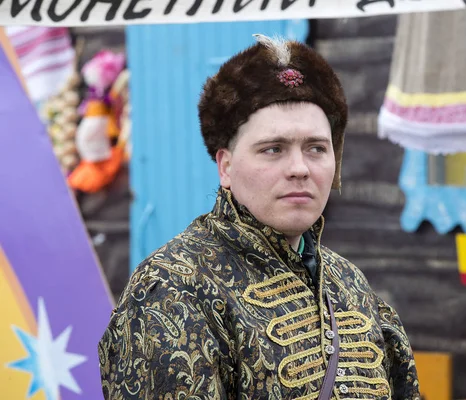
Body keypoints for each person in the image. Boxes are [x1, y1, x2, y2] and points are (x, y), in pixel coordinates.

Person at [99, 34, 420, 400]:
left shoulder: (350, 284)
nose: (299, 168)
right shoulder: (172, 290)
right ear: (226, 166)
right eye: (273, 149)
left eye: (316, 148)